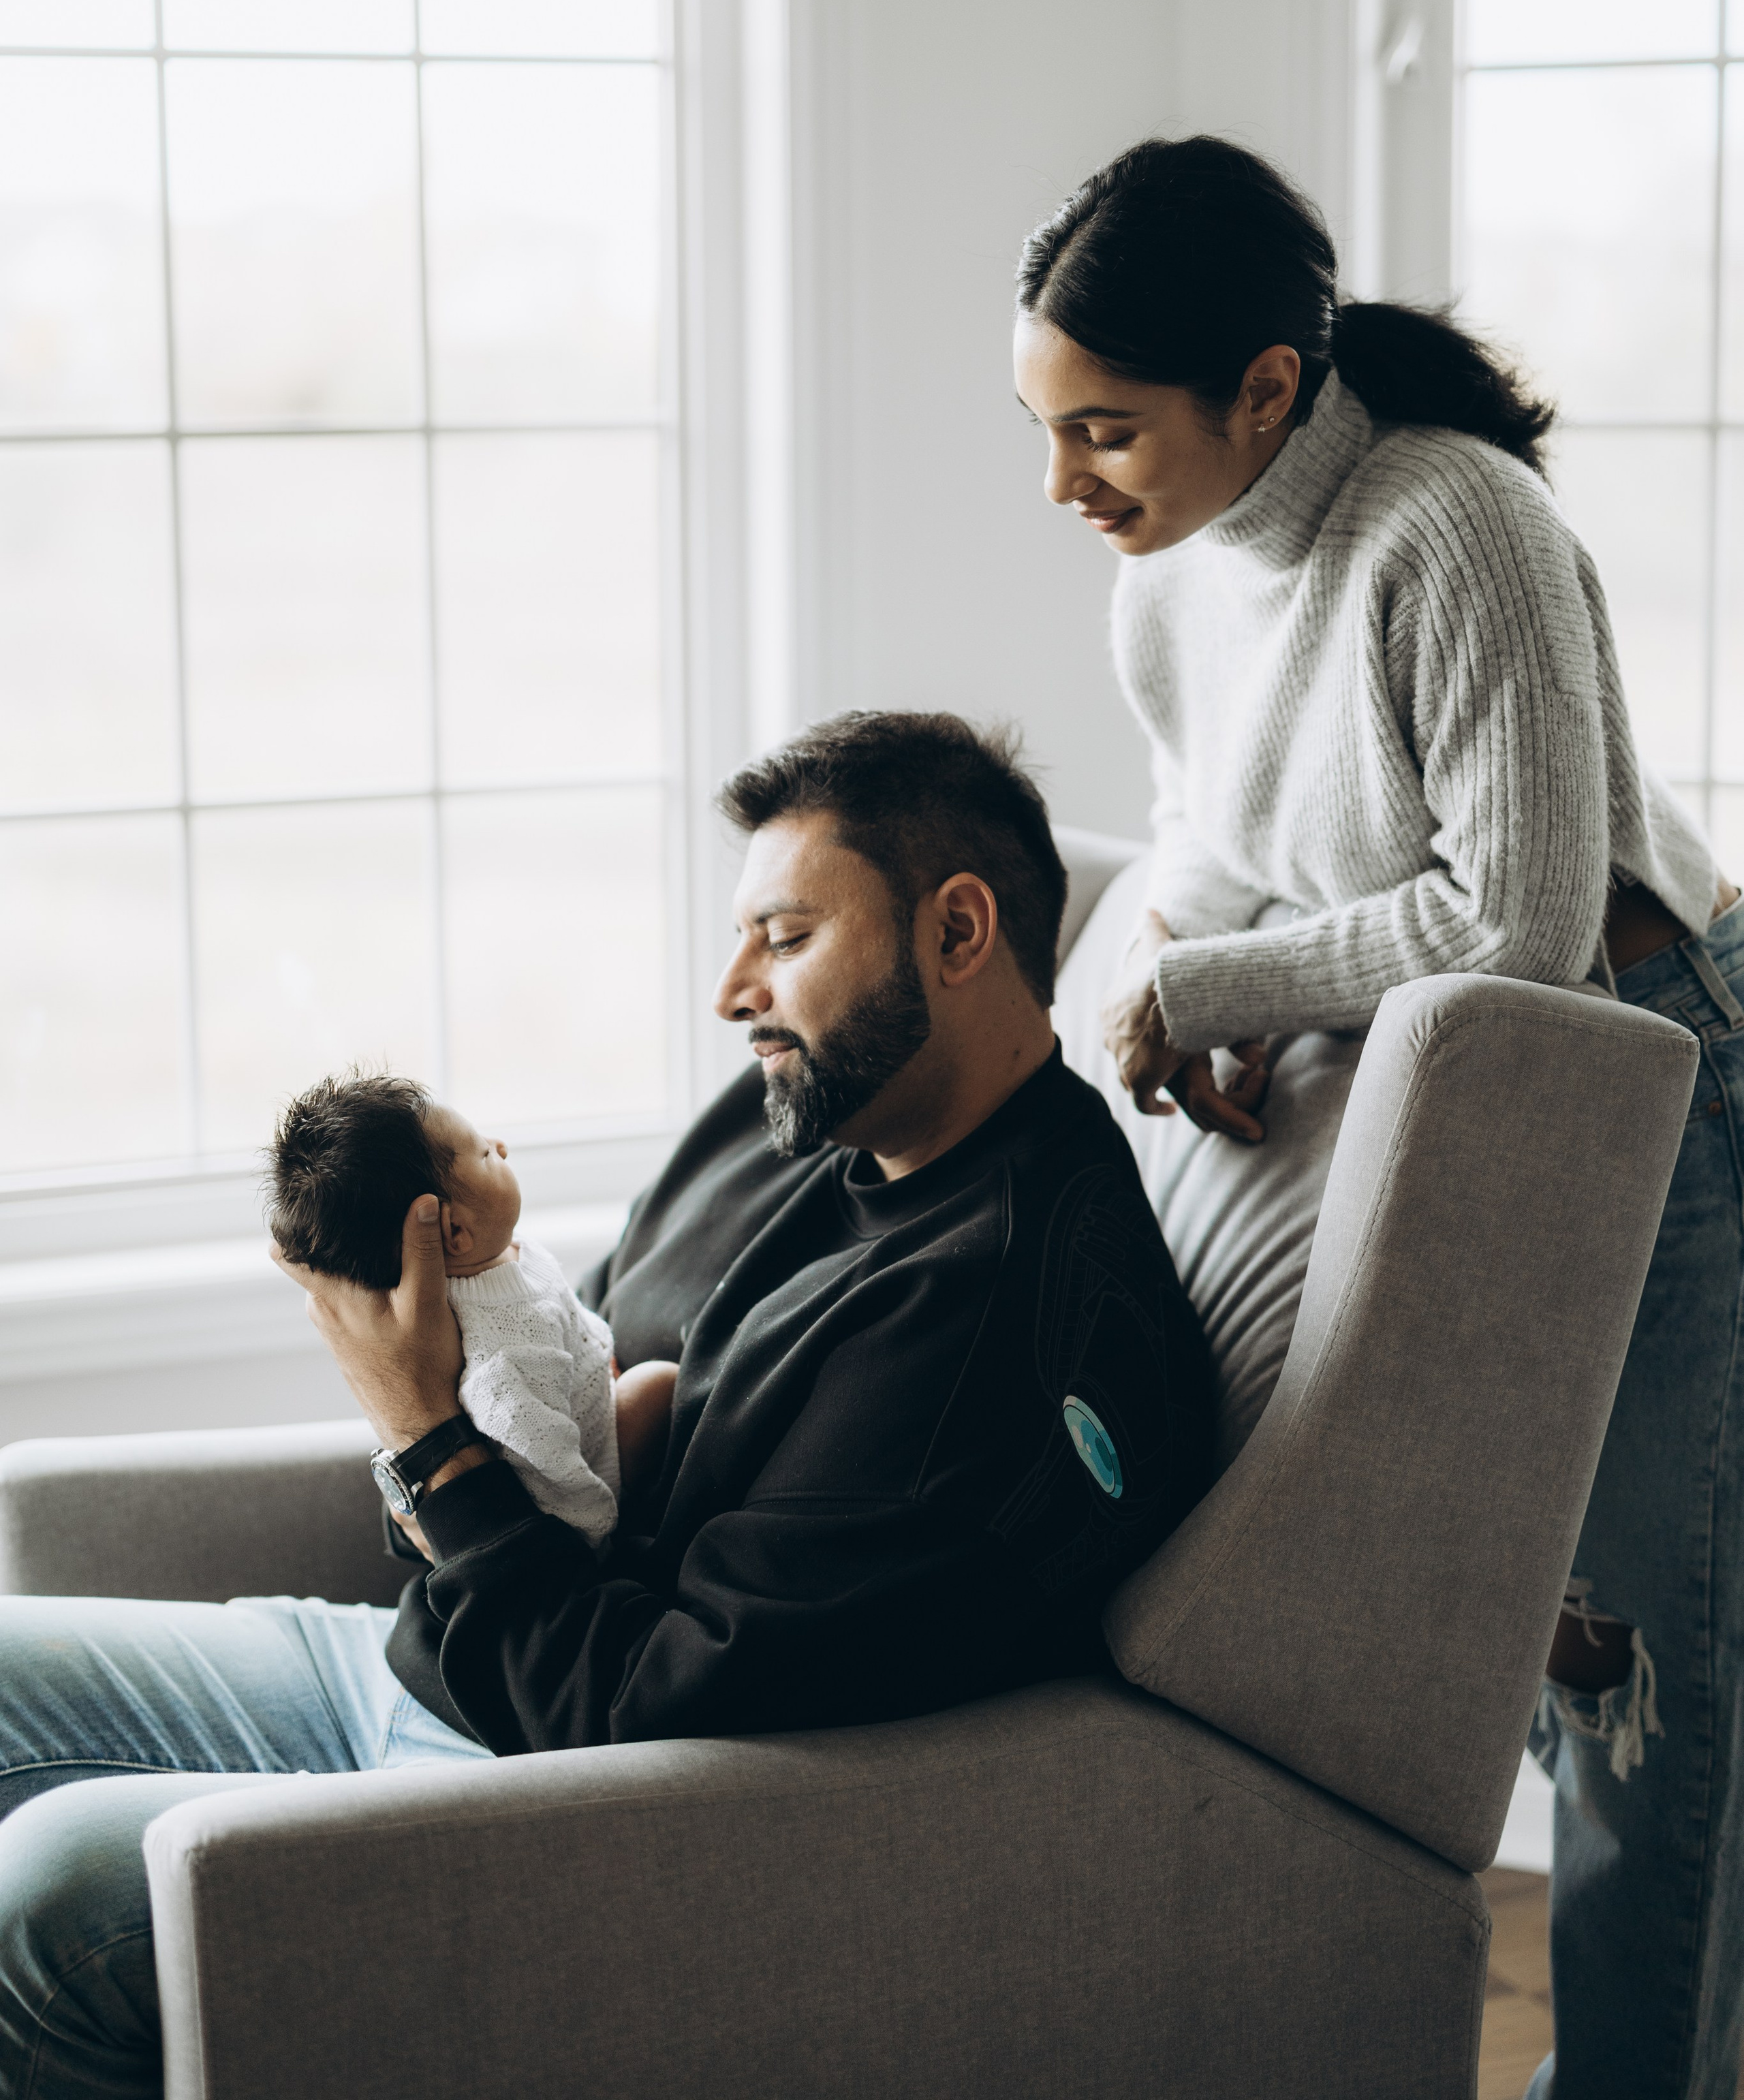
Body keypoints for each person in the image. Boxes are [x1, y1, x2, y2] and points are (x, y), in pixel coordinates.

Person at [0, 709, 1214, 2100]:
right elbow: (554, 1405)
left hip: (532, 1785)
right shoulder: (809, 1126)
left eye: (786, 937)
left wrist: (419, 1436)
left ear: (956, 933)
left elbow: (640, 1712)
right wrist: (437, 1425)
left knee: (49, 1895)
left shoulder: (984, 1325)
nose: (731, 991)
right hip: (432, 1664)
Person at [1014, 133, 1743, 2100]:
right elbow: (1208, 853)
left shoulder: (1457, 527)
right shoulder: (1169, 581)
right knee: (1501, 1647)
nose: (1069, 486)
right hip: (1445, 1099)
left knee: (1644, 1678)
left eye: (1105, 432)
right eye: (1047, 430)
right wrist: (1178, 976)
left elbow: (1522, 921)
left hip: (1649, 1081)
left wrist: (1211, 986)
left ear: (1265, 388)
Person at [268, 1073, 679, 1543]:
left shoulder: (496, 1250)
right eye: (484, 1154)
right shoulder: (501, 1358)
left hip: (584, 1390)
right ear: (455, 1233)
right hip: (586, 1471)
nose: (501, 1147)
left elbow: (560, 1310)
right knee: (659, 1386)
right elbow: (547, 1466)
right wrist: (592, 1534)